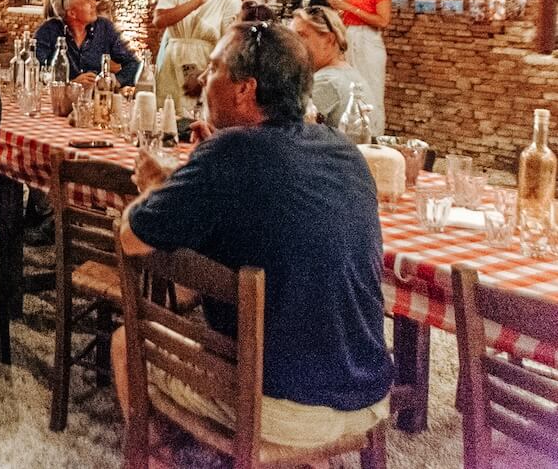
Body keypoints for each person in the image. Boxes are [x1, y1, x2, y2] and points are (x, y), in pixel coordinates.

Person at [112, 22, 393, 451]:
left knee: (123, 344)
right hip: (368, 392)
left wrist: (155, 189)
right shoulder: (342, 149)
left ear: (245, 89)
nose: (204, 80)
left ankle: (158, 458)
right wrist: (187, 179)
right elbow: (262, 198)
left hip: (285, 406)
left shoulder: (230, 153)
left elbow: (131, 237)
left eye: (213, 68)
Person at [153, 0, 242, 117]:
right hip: (171, 66)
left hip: (204, 71)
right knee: (166, 120)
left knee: (198, 120)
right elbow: (159, 20)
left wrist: (206, 74)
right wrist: (196, 2)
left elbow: (230, 47)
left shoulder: (228, 0)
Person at [325, 0, 392, 132]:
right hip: (351, 36)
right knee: (353, 88)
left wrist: (347, 7)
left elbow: (383, 20)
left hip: (368, 40)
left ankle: (374, 135)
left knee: (371, 89)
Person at [290, 6, 379, 133]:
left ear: (329, 40)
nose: (293, 44)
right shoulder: (346, 73)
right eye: (291, 37)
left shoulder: (326, 82)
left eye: (302, 35)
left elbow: (288, 134)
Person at [34, 0, 140, 88]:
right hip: (60, 100)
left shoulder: (104, 28)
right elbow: (33, 71)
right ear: (72, 13)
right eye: (87, 1)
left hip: (97, 101)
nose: (94, 4)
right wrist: (71, 84)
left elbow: (134, 65)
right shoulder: (49, 31)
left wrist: (115, 81)